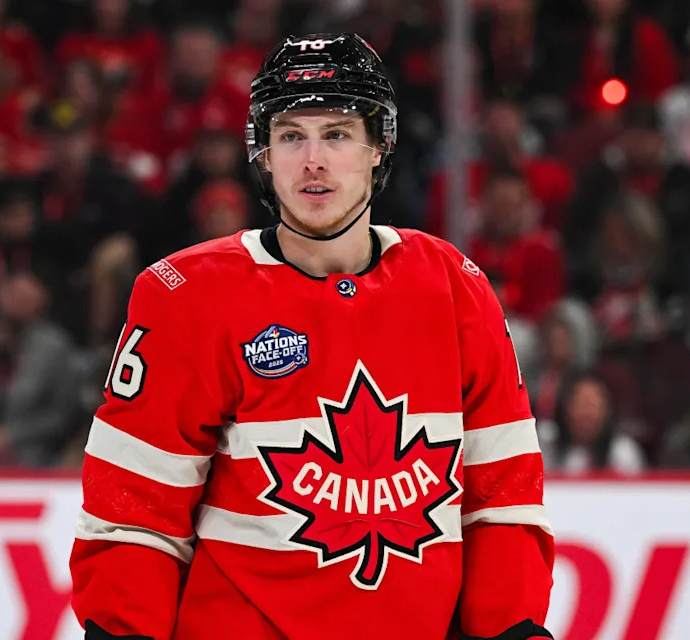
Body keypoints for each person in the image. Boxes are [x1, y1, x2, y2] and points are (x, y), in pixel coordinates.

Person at [69, 33, 554, 640]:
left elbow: (501, 494)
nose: (313, 160)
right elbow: (134, 511)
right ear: (264, 154)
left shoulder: (454, 286)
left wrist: (512, 628)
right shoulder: (186, 295)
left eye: (338, 134)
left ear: (379, 147)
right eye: (291, 135)